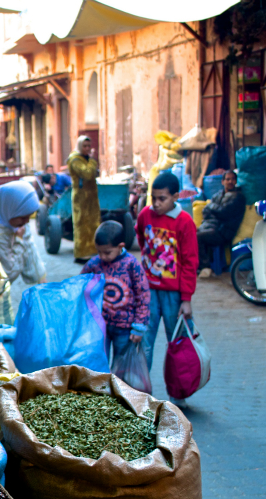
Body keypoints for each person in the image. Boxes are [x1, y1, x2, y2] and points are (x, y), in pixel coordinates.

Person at [136, 171, 198, 380]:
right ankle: (139, 393)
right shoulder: (145, 214)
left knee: (177, 345)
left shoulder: (185, 222)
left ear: (176, 197)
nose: (156, 203)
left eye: (162, 199)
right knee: (143, 343)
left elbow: (190, 262)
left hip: (174, 295)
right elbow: (142, 238)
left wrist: (186, 299)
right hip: (148, 291)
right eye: (153, 198)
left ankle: (177, 395)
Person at [81, 221, 150, 361]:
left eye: (107, 252)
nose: (102, 257)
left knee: (122, 365)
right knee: (99, 362)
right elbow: (80, 287)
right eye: (98, 251)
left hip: (125, 327)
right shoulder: (94, 264)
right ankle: (103, 384)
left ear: (120, 247)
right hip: (100, 326)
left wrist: (139, 326)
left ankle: (117, 384)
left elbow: (143, 296)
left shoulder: (131, 265)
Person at [196, 170, 246, 277]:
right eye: (227, 179)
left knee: (198, 237)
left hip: (223, 231)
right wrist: (213, 209)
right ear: (223, 181)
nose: (230, 181)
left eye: (232, 179)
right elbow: (205, 211)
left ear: (236, 181)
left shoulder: (238, 197)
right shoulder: (218, 195)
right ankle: (195, 265)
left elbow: (224, 213)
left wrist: (211, 207)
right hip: (212, 226)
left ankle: (205, 267)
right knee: (190, 232)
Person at [67, 136, 101, 263]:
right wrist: (92, 161)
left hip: (91, 197)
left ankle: (92, 250)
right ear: (80, 146)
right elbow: (87, 173)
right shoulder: (75, 159)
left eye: (89, 146)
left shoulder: (85, 159)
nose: (87, 149)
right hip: (81, 197)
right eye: (84, 146)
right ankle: (81, 253)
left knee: (94, 223)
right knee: (81, 224)